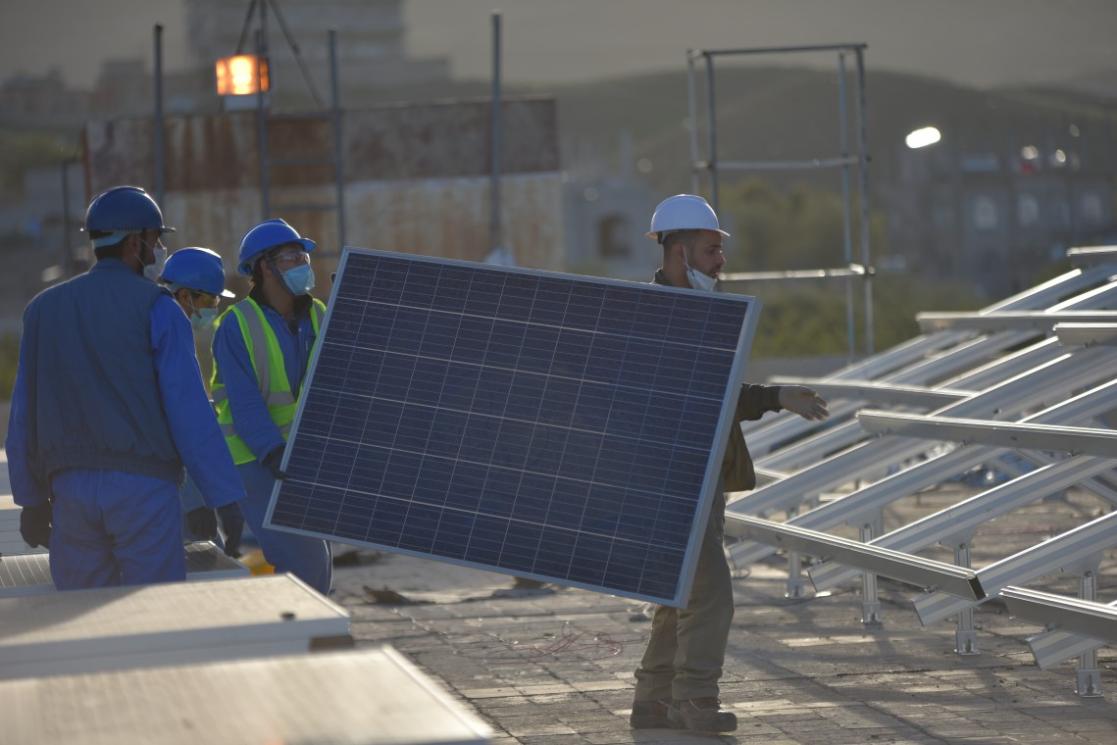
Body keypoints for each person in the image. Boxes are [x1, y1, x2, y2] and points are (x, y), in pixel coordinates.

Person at [630, 194, 830, 733]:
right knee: (711, 592)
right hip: (672, 480)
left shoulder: (698, 311)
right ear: (677, 252)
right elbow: (698, 395)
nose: (721, 261)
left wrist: (775, 395)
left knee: (681, 593)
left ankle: (653, 698)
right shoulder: (654, 319)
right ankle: (694, 699)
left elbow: (714, 393)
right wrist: (775, 395)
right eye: (711, 250)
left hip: (701, 476)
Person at [5, 185, 246, 589]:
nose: (159, 251)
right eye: (156, 241)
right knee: (151, 616)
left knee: (86, 620)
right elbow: (189, 414)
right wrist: (222, 497)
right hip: (143, 490)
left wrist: (29, 500)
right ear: (135, 243)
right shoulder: (159, 308)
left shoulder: (43, 309)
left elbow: (23, 416)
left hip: (70, 493)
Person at [211, 218, 331, 594]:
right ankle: (302, 639)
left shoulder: (318, 314)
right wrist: (273, 452)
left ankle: (302, 637)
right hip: (257, 459)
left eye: (303, 256)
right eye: (292, 257)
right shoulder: (236, 325)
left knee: (316, 561)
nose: (303, 265)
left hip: (302, 454)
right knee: (303, 562)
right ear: (265, 266)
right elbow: (245, 402)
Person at [159, 246, 245, 557]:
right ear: (185, 296)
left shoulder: (164, 326)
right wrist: (205, 502)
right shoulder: (167, 332)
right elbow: (183, 424)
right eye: (209, 300)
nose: (213, 309)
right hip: (166, 491)